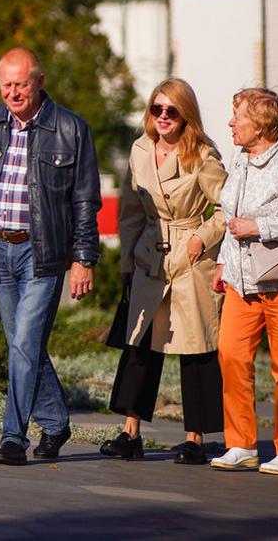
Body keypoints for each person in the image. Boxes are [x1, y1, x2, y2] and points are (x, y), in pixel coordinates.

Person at [0, 47, 100, 466]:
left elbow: (86, 199)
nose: (13, 93)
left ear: (39, 81)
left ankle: (12, 436)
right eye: (6, 85)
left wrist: (83, 257)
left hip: (43, 253)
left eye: (21, 84)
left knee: (25, 343)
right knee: (22, 345)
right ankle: (54, 423)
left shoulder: (71, 128)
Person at [100, 78, 226, 464]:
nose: (164, 117)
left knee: (197, 348)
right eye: (157, 109)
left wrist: (200, 239)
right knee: (139, 346)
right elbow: (129, 213)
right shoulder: (139, 150)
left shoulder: (203, 155)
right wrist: (126, 265)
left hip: (190, 260)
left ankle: (195, 438)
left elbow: (227, 209)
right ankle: (130, 432)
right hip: (148, 256)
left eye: (172, 110)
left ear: (186, 114)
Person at [210, 87, 278, 476]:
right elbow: (230, 218)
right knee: (231, 356)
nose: (230, 123)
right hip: (242, 283)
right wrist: (224, 263)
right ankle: (241, 443)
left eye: (237, 116)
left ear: (261, 125)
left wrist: (261, 226)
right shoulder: (240, 160)